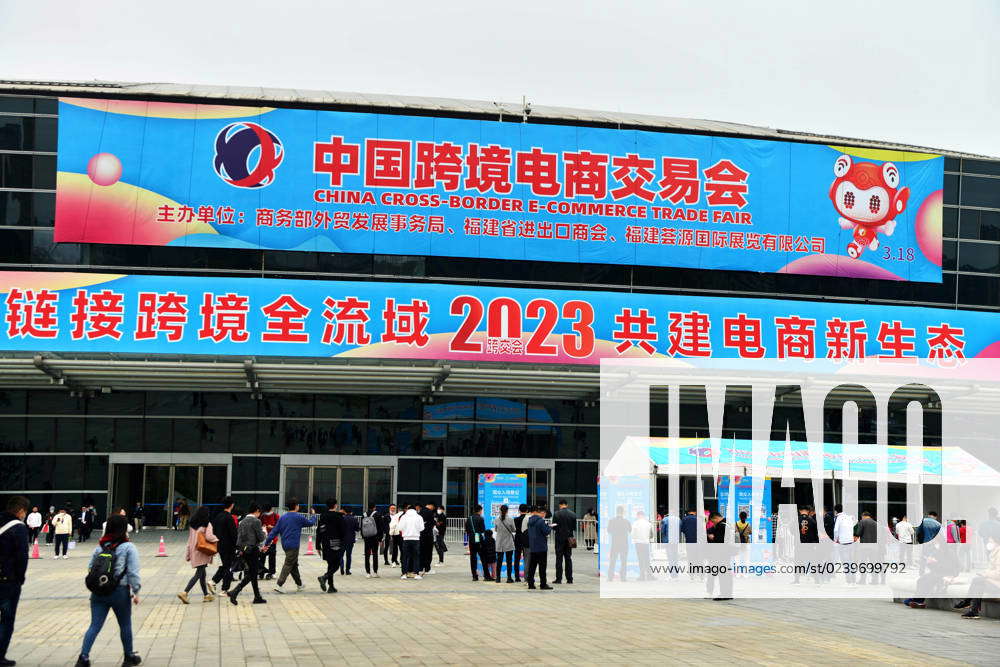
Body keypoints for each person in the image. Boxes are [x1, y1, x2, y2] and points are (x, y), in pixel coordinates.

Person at [74, 515, 141, 667]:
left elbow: (91, 568)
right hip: (120, 592)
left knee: (94, 625)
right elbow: (133, 573)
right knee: (125, 625)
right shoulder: (128, 547)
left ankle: (83, 657)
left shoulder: (99, 547)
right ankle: (128, 656)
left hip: (98, 592)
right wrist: (136, 591)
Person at [0, 496, 29, 667]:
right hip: (7, 580)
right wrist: (20, 578)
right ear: (20, 511)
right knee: (6, 619)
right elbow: (21, 556)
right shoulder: (18, 528)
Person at [266, 499, 318, 594]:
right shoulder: (298, 517)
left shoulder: (282, 517)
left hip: (285, 544)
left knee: (293, 565)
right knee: (289, 564)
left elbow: (274, 531)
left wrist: (267, 542)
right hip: (293, 545)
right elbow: (311, 523)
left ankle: (299, 584)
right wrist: (314, 515)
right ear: (296, 506)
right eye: (298, 505)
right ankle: (279, 584)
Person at [227, 504, 267, 605]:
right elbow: (261, 537)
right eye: (259, 512)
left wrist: (240, 549)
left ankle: (257, 596)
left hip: (243, 550)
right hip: (252, 550)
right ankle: (235, 591)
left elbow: (239, 538)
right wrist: (264, 532)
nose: (260, 514)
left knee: (253, 572)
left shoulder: (242, 521)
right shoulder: (256, 521)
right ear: (257, 511)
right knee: (253, 573)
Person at [178, 506, 218, 604]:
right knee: (199, 574)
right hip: (202, 551)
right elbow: (209, 537)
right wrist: (217, 539)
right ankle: (185, 592)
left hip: (194, 551)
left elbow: (189, 541)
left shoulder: (192, 525)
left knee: (202, 574)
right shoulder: (207, 524)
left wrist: (188, 554)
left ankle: (206, 595)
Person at [953, 536, 1000, 619]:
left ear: (996, 542)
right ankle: (972, 609)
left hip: (997, 584)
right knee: (977, 582)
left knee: (978, 581)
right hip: (994, 581)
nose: (989, 543)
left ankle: (968, 604)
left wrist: (986, 574)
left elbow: (998, 573)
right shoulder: (995, 552)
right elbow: (991, 569)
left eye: (991, 541)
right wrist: (984, 573)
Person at [210, 497, 238, 593]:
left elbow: (214, 531)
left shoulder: (218, 516)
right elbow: (234, 534)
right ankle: (224, 589)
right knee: (229, 567)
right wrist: (238, 546)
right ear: (232, 505)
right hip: (229, 547)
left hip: (220, 546)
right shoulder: (229, 518)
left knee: (226, 565)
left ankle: (213, 581)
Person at [316, 499, 344, 593]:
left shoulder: (323, 516)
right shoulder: (338, 516)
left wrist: (317, 545)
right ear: (335, 505)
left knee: (330, 564)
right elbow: (342, 531)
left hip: (325, 543)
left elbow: (319, 531)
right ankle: (324, 577)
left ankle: (331, 587)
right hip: (336, 542)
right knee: (336, 564)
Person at [526, 506, 553, 590]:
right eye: (544, 513)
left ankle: (531, 584)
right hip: (541, 547)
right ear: (541, 512)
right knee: (542, 567)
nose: (544, 515)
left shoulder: (529, 521)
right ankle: (543, 584)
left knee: (532, 567)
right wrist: (550, 527)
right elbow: (546, 531)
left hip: (533, 547)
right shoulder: (541, 521)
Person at [552, 499, 577, 585]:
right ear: (566, 505)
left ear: (560, 505)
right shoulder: (573, 514)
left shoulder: (556, 514)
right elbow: (574, 527)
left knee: (559, 559)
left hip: (559, 538)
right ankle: (569, 579)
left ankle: (558, 579)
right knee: (568, 558)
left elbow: (554, 527)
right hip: (569, 538)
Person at [397, 504, 425, 580]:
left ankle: (404, 574)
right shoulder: (419, 517)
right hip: (416, 539)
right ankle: (416, 574)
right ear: (415, 509)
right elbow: (422, 528)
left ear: (407, 509)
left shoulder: (404, 517)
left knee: (405, 557)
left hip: (406, 539)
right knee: (416, 557)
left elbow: (399, 527)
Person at [607, 506, 631, 582]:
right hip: (624, 544)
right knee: (623, 561)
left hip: (615, 544)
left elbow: (609, 530)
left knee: (612, 561)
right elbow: (630, 530)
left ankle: (610, 577)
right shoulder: (626, 521)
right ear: (623, 512)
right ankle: (623, 577)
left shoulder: (612, 521)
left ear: (616, 512)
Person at [494, 505, 516, 583]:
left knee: (499, 561)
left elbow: (496, 529)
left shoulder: (496, 519)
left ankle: (498, 578)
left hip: (499, 543)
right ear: (507, 511)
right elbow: (514, 529)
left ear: (500, 510)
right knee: (509, 561)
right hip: (508, 543)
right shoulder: (510, 519)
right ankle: (509, 578)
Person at [361, 503, 383, 578]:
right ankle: (375, 572)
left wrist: (363, 536)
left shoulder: (364, 515)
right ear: (374, 507)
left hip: (367, 537)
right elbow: (380, 527)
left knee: (367, 554)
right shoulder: (377, 514)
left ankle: (368, 572)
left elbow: (361, 527)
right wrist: (380, 538)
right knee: (375, 553)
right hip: (375, 537)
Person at [465, 505, 486, 581]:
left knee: (473, 558)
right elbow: (483, 530)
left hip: (471, 539)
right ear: (480, 510)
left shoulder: (469, 518)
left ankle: (474, 576)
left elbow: (466, 530)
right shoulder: (480, 518)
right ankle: (486, 575)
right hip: (479, 540)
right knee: (483, 557)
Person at [631, 511, 652, 581]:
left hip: (638, 543)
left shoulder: (635, 523)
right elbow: (651, 535)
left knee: (640, 559)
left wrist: (636, 538)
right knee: (647, 559)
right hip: (646, 543)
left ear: (638, 515)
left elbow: (633, 534)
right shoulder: (648, 523)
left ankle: (642, 576)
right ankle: (649, 575)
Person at [259, 505, 278, 580]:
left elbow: (279, 526)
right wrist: (264, 527)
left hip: (273, 539)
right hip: (264, 539)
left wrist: (272, 527)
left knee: (272, 557)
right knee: (262, 557)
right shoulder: (263, 516)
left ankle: (271, 572)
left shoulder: (275, 516)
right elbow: (260, 525)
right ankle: (261, 572)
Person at [513, 503, 530, 583]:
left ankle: (517, 577)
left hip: (517, 539)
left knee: (517, 558)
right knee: (527, 558)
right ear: (527, 510)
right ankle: (527, 576)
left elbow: (514, 529)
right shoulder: (528, 519)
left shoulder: (515, 519)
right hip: (526, 539)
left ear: (519, 510)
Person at [418, 502, 436, 575]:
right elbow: (432, 523)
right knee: (428, 552)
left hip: (420, 535)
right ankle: (427, 568)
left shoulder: (420, 511)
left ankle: (420, 567)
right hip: (428, 535)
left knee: (421, 551)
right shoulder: (429, 512)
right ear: (431, 506)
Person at [339, 508, 357, 576]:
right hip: (350, 539)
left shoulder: (341, 518)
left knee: (341, 555)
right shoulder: (354, 519)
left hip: (342, 539)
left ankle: (341, 567)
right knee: (348, 555)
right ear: (351, 512)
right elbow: (357, 528)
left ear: (345, 512)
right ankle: (347, 570)